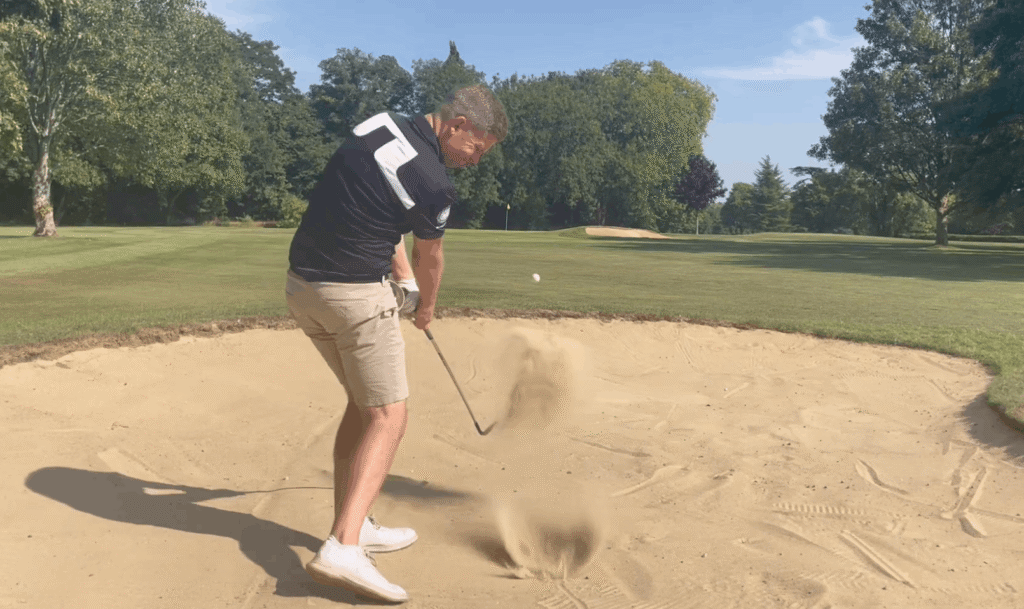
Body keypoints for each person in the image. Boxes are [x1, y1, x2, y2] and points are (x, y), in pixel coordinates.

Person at [284, 83, 507, 603]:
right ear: (458, 125)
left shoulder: (380, 126)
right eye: (477, 148)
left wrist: (401, 278)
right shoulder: (434, 182)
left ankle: (355, 524)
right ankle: (343, 547)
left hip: (303, 288)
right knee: (390, 415)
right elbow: (432, 257)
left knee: (363, 409)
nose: (474, 160)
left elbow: (377, 212)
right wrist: (424, 305)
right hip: (354, 297)